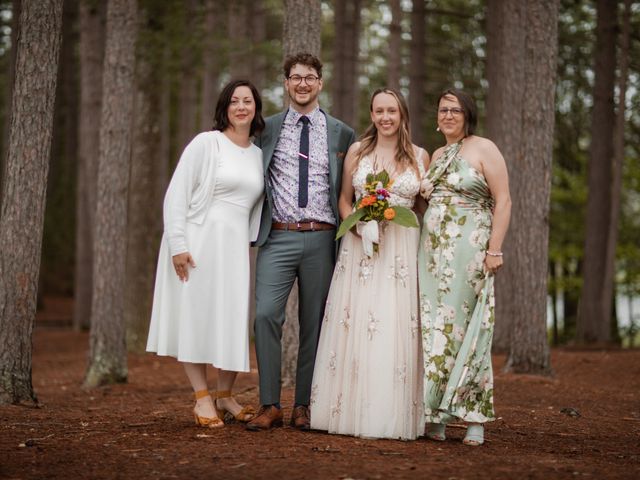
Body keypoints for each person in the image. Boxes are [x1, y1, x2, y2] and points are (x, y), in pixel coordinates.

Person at [309, 88, 429, 440]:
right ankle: (345, 410)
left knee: (392, 323)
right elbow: (344, 201)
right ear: (372, 115)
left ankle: (390, 413)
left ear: (402, 114)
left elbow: (424, 208)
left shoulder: (420, 156)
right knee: (357, 320)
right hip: (360, 248)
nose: (386, 118)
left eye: (392, 111)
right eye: (379, 111)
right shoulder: (359, 152)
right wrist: (360, 224)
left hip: (401, 251)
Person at [146, 80, 265, 428]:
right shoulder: (206, 143)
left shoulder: (259, 153)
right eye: (234, 101)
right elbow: (177, 194)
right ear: (224, 108)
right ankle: (201, 398)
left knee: (231, 319)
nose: (241, 107)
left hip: (235, 248)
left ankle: (225, 394)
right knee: (197, 318)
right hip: (199, 242)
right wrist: (177, 245)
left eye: (248, 101)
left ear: (256, 108)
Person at [246, 53, 356, 431]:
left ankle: (304, 405)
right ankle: (269, 403)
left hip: (322, 239)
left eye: (310, 77)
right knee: (264, 316)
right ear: (287, 84)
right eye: (296, 78)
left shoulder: (342, 132)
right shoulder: (267, 129)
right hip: (277, 236)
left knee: (315, 323)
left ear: (320, 83)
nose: (303, 84)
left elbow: (350, 188)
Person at [418, 88, 511, 445]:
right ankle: (436, 414)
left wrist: (495, 249)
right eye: (443, 110)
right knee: (435, 331)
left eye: (455, 110)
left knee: (469, 331)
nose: (448, 116)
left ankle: (474, 417)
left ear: (467, 114)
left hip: (470, 252)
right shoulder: (437, 154)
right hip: (432, 254)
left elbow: (503, 201)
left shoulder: (484, 148)